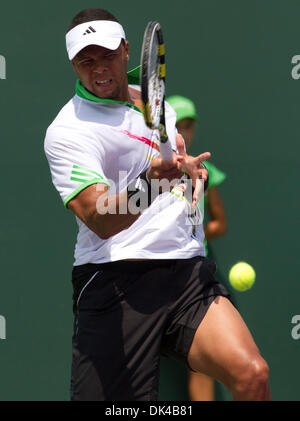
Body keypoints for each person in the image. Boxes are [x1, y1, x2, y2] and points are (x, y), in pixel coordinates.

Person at [44, 8, 271, 401]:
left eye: (107, 55)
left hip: (185, 274)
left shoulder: (156, 105)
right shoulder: (68, 131)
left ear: (127, 51)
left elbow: (165, 168)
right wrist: (150, 185)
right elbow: (100, 218)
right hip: (116, 282)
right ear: (73, 65)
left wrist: (186, 172)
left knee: (252, 375)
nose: (98, 68)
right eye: (86, 60)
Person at [166, 95, 230, 401]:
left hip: (194, 275)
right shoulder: (152, 170)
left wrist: (192, 233)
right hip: (155, 274)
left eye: (189, 125)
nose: (184, 132)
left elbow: (219, 223)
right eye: (178, 125)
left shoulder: (208, 172)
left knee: (202, 365)